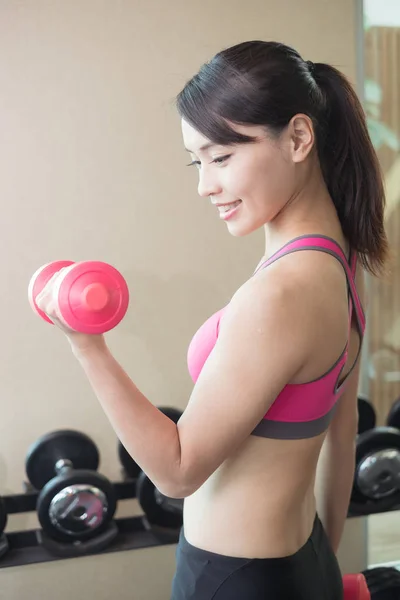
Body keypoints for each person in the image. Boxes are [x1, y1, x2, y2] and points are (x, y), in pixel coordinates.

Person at [36, 40, 388, 599]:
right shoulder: (340, 268)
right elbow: (339, 441)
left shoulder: (280, 295)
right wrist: (315, 575)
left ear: (299, 138)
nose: (205, 185)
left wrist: (87, 346)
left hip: (234, 579)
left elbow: (177, 471)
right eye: (197, 162)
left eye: (222, 157)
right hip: (301, 560)